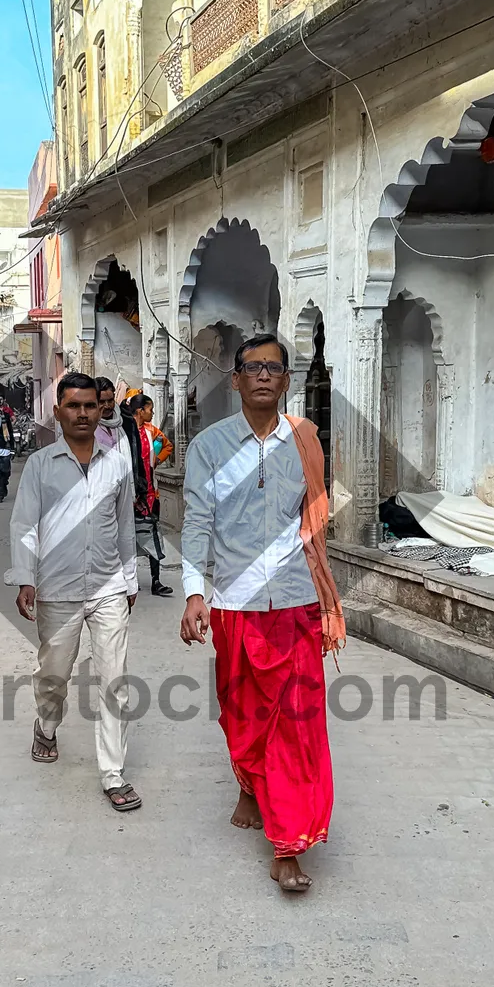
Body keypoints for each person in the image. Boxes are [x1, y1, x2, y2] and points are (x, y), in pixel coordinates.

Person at [179, 333, 345, 895]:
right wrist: (193, 591)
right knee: (242, 715)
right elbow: (197, 520)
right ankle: (250, 785)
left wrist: (325, 598)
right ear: (236, 379)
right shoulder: (209, 446)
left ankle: (287, 844)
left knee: (296, 725)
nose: (264, 375)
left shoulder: (305, 440)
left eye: (274, 367)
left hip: (296, 601)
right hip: (233, 604)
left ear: (287, 380)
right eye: (253, 367)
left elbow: (315, 518)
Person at [10, 372, 142, 813]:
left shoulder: (117, 462)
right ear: (58, 411)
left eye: (91, 405)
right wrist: (26, 576)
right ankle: (46, 726)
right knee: (54, 677)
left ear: (100, 409)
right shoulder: (41, 466)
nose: (83, 413)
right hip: (58, 588)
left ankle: (113, 772)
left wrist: (131, 578)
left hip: (107, 587)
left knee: (115, 680)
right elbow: (24, 524)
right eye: (74, 406)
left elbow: (125, 527)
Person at [122, 394, 173, 597]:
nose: (152, 413)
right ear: (140, 410)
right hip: (130, 494)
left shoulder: (151, 431)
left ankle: (156, 580)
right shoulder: (124, 431)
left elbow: (167, 445)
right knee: (127, 537)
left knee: (153, 535)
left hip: (151, 493)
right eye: (150, 409)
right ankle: (128, 579)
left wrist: (156, 461)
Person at [94, 377, 124, 452]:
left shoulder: (126, 422)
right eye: (102, 402)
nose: (107, 406)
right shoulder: (87, 425)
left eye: (110, 401)